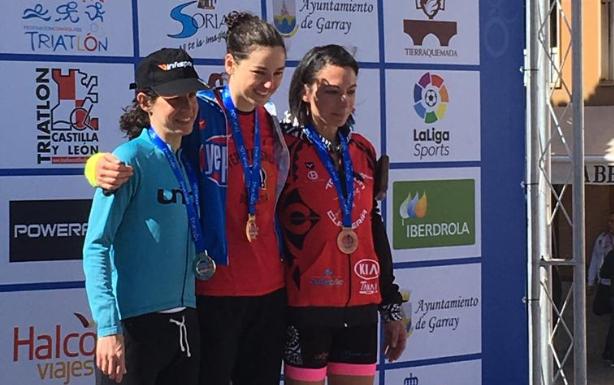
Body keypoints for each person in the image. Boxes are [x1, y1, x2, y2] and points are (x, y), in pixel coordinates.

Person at [84, 12, 290, 385]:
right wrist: (95, 165)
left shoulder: (276, 126)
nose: (269, 83)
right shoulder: (203, 115)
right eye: (260, 71)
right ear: (230, 64)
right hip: (211, 292)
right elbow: (144, 144)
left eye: (278, 73)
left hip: (264, 291)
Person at [277, 44, 407, 385]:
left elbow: (373, 229)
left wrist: (390, 306)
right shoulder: (284, 149)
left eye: (350, 92)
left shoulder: (362, 149)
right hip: (306, 309)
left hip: (362, 308)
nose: (343, 103)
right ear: (306, 92)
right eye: (332, 92)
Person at [82, 48, 207, 385]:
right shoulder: (127, 161)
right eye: (175, 99)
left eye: (192, 96)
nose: (187, 107)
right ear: (144, 101)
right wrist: (108, 329)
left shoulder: (189, 159)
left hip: (185, 323)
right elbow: (95, 246)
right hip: (134, 328)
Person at [589, 213, 614, 361]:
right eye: (610, 221)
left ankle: (608, 352)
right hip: (605, 285)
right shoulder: (602, 240)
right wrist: (590, 282)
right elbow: (594, 260)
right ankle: (608, 351)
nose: (611, 224)